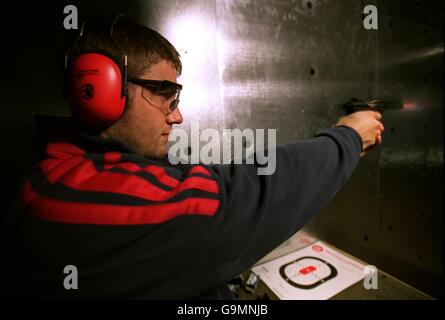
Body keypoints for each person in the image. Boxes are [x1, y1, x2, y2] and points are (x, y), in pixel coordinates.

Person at [5, 16, 384, 299]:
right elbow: (242, 195)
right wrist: (348, 137)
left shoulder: (55, 174)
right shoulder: (73, 197)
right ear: (102, 91)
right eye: (164, 94)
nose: (177, 115)